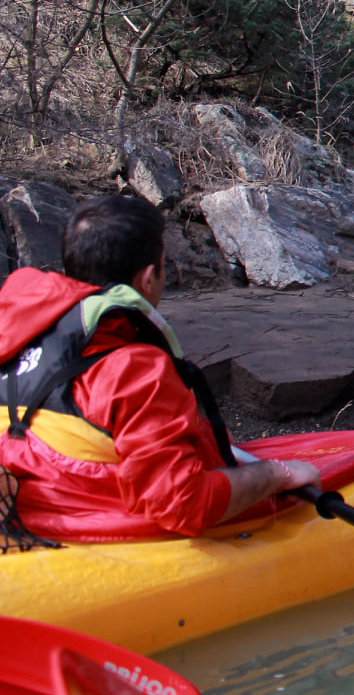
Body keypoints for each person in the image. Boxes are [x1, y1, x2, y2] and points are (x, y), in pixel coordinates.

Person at [0, 194, 320, 541]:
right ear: (149, 278)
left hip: (24, 513)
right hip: (87, 533)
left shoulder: (15, 331)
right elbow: (183, 504)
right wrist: (277, 475)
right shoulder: (132, 370)